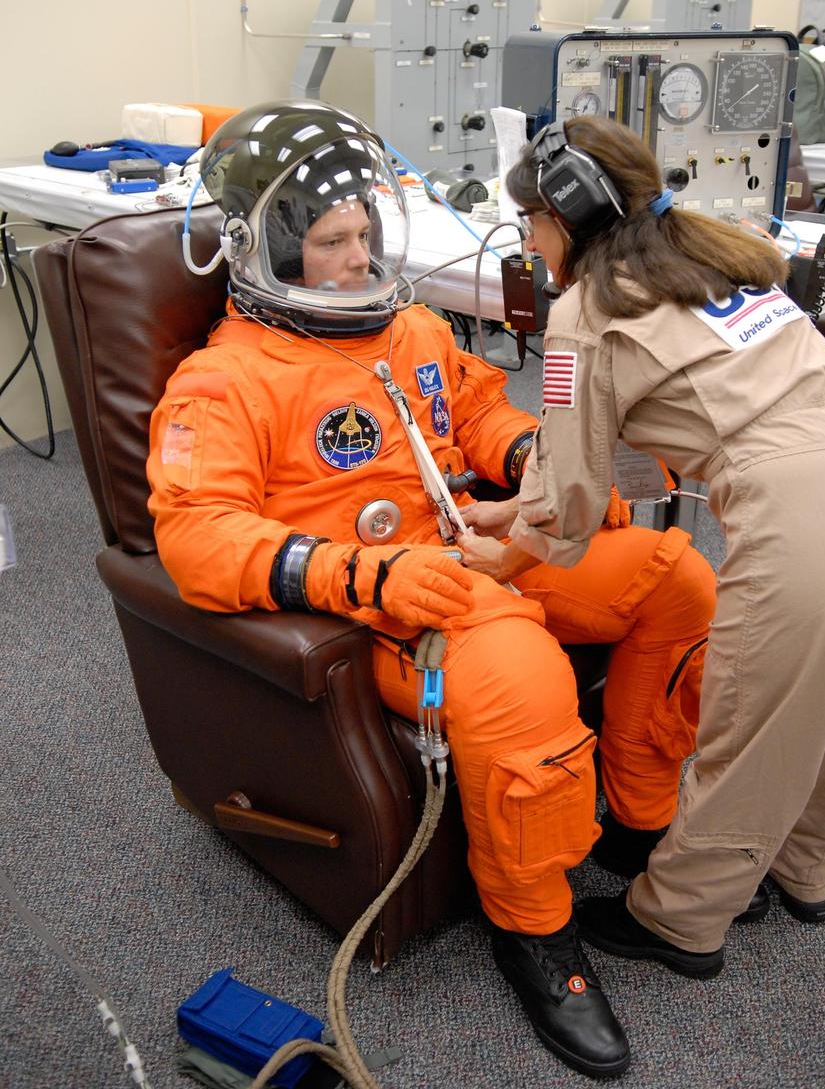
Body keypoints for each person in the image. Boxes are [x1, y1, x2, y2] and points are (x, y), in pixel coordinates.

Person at [146, 100, 716, 1079]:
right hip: (384, 597)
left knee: (676, 579)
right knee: (522, 677)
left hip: (484, 539)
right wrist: (362, 572)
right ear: (270, 247)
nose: (359, 256)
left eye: (366, 233)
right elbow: (196, 533)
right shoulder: (225, 381)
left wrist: (551, 471)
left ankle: (638, 811)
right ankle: (535, 930)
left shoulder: (409, 328)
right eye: (331, 241)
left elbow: (479, 412)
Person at [491, 112, 825, 985]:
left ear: (567, 215)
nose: (528, 243)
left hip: (797, 520)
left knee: (750, 732)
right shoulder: (719, 257)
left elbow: (574, 494)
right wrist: (522, 507)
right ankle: (806, 874)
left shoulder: (586, 312)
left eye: (530, 223)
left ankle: (681, 921)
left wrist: (500, 553)